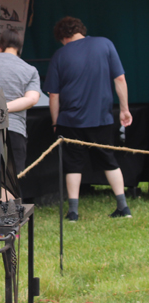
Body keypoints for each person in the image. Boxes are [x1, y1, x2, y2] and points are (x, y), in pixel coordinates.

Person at [44, 16, 133, 221]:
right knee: (110, 161)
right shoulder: (105, 44)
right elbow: (120, 79)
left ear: (63, 36)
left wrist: (55, 122)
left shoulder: (60, 55)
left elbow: (54, 95)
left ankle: (73, 213)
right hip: (101, 118)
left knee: (73, 164)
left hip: (70, 120)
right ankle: (123, 207)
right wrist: (124, 110)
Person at [0, 29, 41, 177]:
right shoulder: (30, 70)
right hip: (14, 129)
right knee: (10, 180)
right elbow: (32, 99)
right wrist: (4, 107)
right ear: (19, 48)